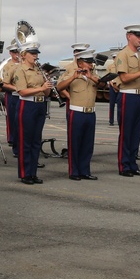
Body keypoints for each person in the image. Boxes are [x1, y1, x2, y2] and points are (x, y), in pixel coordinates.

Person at [113, 25, 140, 176]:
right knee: (126, 132)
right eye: (137, 36)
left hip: (139, 96)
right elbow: (124, 78)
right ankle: (124, 166)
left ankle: (132, 164)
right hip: (127, 95)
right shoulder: (123, 55)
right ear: (129, 36)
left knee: (136, 132)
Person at [12, 41, 52, 184]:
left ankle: (33, 172)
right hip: (27, 105)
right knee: (25, 141)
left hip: (40, 105)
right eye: (32, 54)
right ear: (24, 55)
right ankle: (25, 173)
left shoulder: (38, 70)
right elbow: (22, 91)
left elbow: (46, 93)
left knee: (36, 141)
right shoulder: (20, 70)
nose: (35, 57)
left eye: (36, 54)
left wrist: (47, 85)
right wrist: (41, 88)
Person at [57, 48, 100, 180]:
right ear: (80, 63)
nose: (91, 65)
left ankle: (85, 170)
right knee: (75, 143)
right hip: (77, 112)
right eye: (88, 62)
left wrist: (90, 76)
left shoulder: (94, 73)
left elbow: (102, 83)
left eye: (91, 62)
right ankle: (74, 171)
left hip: (90, 112)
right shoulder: (71, 71)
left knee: (88, 144)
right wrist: (73, 78)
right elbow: (59, 87)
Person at [1, 44, 21, 157]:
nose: (16, 54)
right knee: (12, 119)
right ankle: (13, 141)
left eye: (18, 52)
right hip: (12, 94)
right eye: (14, 52)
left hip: (23, 95)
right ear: (10, 53)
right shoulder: (8, 66)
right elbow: (5, 82)